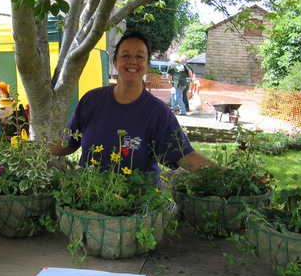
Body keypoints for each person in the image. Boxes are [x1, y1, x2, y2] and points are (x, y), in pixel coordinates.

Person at [49, 31, 214, 175]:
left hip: (137, 203)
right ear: (115, 62)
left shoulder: (157, 112)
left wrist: (228, 175)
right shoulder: (91, 100)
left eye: (140, 56)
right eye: (125, 55)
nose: (132, 61)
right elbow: (67, 144)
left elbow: (184, 156)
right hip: (89, 198)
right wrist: (32, 149)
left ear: (147, 65)